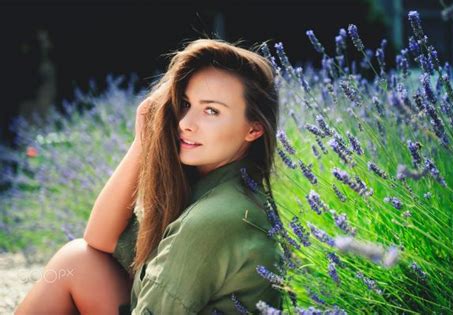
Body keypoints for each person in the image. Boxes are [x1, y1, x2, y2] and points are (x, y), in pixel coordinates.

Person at [16, 37, 282, 314]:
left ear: (254, 129)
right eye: (185, 104)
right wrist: (144, 136)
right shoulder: (214, 190)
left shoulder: (213, 219)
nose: (185, 124)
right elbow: (98, 240)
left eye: (211, 111)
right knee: (76, 260)